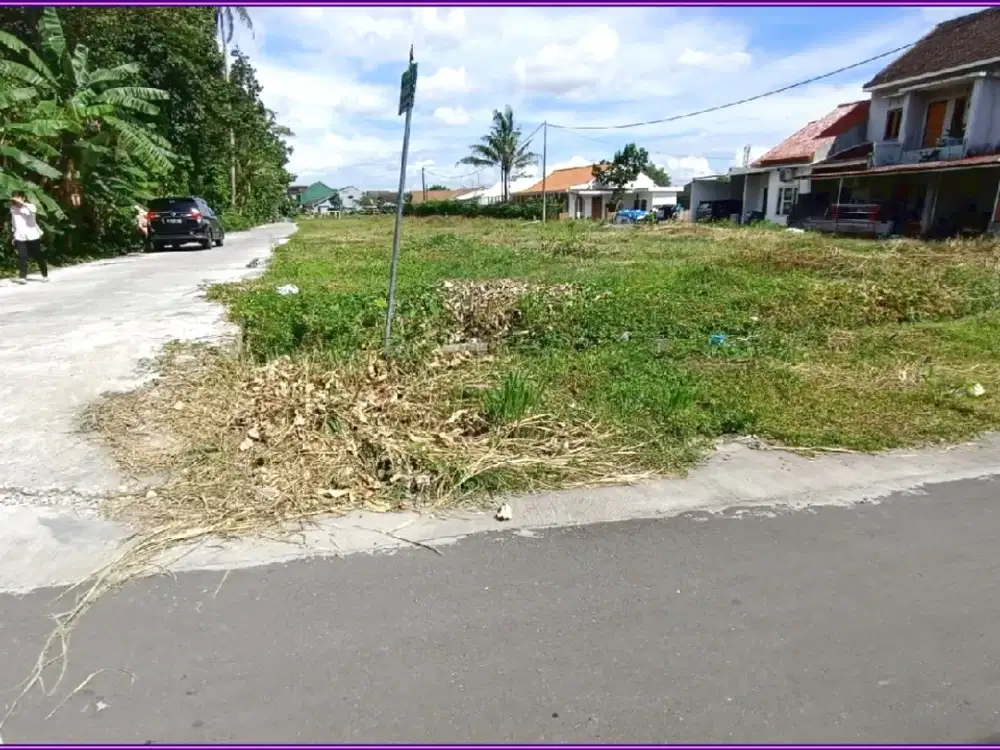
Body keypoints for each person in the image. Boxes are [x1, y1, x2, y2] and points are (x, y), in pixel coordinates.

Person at [9, 191, 48, 284]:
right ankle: (22, 277)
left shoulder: (30, 206)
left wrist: (22, 203)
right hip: (20, 236)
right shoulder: (13, 208)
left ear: (23, 198)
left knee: (37, 256)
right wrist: (14, 234)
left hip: (32, 235)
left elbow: (33, 211)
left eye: (18, 197)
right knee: (22, 256)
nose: (16, 200)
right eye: (15, 197)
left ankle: (45, 275)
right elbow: (14, 222)